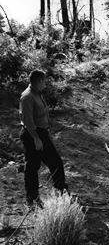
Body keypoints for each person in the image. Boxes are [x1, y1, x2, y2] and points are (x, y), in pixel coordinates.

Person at [19, 69, 68, 208]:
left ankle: (61, 193)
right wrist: (36, 138)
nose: (45, 84)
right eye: (44, 81)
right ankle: (32, 199)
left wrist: (46, 132)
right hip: (32, 135)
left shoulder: (37, 94)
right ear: (39, 81)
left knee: (56, 163)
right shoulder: (27, 96)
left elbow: (41, 115)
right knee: (32, 168)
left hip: (42, 134)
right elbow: (27, 120)